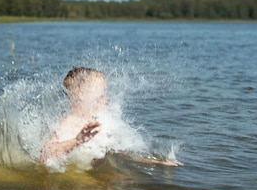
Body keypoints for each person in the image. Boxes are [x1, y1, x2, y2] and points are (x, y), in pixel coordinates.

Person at [39, 67, 182, 166]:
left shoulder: (96, 122)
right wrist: (76, 140)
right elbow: (45, 155)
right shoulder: (69, 123)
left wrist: (157, 163)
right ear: (82, 94)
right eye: (102, 93)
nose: (106, 98)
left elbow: (117, 152)